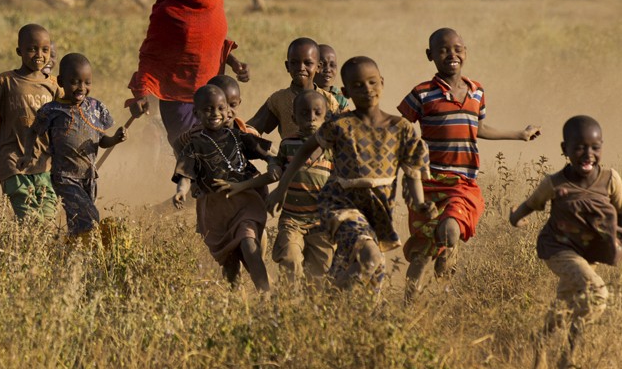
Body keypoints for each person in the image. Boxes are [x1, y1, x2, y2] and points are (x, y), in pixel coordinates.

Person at [398, 27, 539, 298]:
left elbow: (479, 128)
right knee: (421, 253)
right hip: (428, 183)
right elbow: (400, 129)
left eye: (457, 49)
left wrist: (519, 134)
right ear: (430, 55)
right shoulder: (422, 93)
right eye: (443, 50)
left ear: (466, 52)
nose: (451, 55)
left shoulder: (476, 91)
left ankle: (445, 281)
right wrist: (407, 161)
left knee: (450, 230)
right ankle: (408, 305)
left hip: (462, 183)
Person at [269, 57, 429, 288]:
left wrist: (420, 202)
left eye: (372, 82)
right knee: (371, 258)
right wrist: (281, 189)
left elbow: (413, 170)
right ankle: (333, 294)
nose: (367, 89)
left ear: (382, 83)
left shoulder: (400, 128)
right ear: (346, 92)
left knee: (370, 275)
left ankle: (330, 300)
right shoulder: (340, 126)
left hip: (377, 210)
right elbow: (304, 150)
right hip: (341, 205)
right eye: (357, 85)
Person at [509, 115, 622, 359]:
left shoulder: (610, 179)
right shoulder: (555, 183)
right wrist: (515, 218)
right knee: (597, 293)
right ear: (565, 149)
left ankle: (540, 341)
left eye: (595, 147)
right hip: (558, 249)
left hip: (587, 253)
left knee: (567, 304)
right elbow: (530, 204)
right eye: (580, 148)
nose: (588, 154)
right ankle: (572, 348)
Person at [125, 0, 250, 153]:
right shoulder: (168, 8)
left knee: (217, 153)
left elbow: (213, 40)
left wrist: (235, 63)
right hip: (179, 100)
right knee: (190, 154)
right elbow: (150, 53)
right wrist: (142, 92)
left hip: (213, 96)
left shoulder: (216, 3)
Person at [172, 83, 272, 290]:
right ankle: (235, 297)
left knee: (248, 242)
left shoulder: (239, 137)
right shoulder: (194, 145)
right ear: (196, 113)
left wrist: (276, 161)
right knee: (230, 261)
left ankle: (266, 295)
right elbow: (185, 175)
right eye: (208, 109)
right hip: (215, 211)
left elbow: (266, 153)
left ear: (227, 110)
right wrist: (181, 191)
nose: (215, 113)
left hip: (244, 203)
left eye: (220, 108)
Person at [23, 53, 125, 240]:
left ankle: (74, 250)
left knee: (78, 221)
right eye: (75, 82)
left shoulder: (96, 108)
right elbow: (32, 132)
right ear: (61, 81)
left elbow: (102, 140)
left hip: (89, 177)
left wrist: (115, 139)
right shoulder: (51, 110)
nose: (81, 88)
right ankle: (88, 247)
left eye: (87, 82)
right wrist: (27, 154)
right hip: (64, 177)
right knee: (90, 216)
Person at [0, 23, 59, 222]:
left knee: (47, 222)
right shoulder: (7, 81)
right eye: (32, 49)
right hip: (13, 163)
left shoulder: (54, 85)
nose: (39, 55)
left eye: (45, 50)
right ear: (19, 51)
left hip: (45, 164)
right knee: (30, 220)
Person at [263, 88, 336, 280]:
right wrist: (273, 166)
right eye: (304, 113)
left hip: (322, 222)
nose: (311, 118)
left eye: (317, 113)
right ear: (294, 118)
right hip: (292, 219)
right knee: (290, 259)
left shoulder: (332, 148)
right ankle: (288, 297)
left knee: (320, 272)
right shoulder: (288, 144)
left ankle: (308, 299)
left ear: (326, 117)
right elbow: (277, 163)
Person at [317, 44, 349, 113]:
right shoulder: (304, 93)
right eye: (322, 65)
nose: (328, 70)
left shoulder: (340, 97)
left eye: (332, 65)